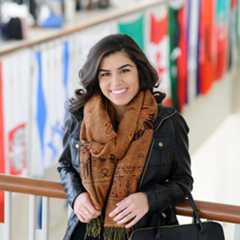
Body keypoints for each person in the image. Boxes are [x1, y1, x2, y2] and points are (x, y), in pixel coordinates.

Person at [57, 33, 193, 240]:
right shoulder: (79, 116)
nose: (115, 82)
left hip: (146, 233)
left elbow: (183, 181)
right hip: (86, 233)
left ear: (140, 71)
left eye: (125, 71)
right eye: (105, 74)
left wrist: (148, 199)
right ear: (96, 78)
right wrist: (76, 197)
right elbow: (65, 166)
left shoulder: (168, 122)